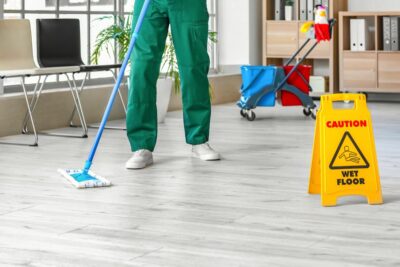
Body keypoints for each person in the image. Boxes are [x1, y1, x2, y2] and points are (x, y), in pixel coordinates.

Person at [125, 0, 221, 169]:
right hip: (150, 3)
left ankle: (198, 139)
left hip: (188, 4)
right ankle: (142, 145)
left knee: (193, 67)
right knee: (141, 68)